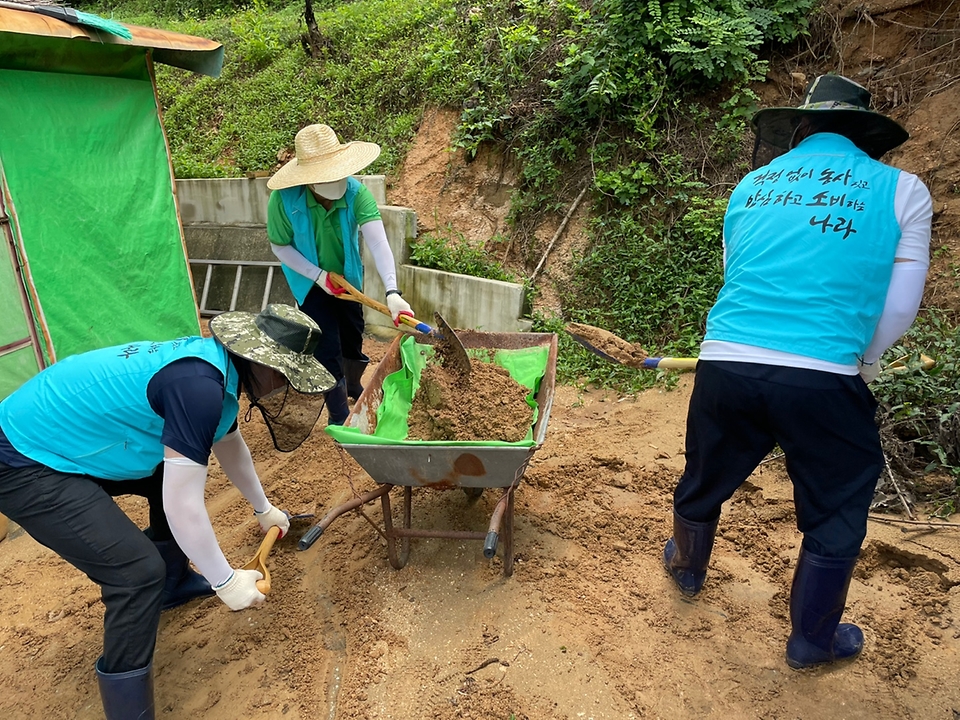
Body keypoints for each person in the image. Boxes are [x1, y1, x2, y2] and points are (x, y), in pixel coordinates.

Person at [662, 75, 933, 670]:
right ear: (865, 137)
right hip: (823, 373)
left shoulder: (752, 186)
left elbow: (737, 274)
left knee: (706, 469)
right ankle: (811, 640)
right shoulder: (903, 191)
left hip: (726, 360)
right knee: (836, 505)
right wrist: (862, 361)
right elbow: (899, 306)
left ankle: (685, 568)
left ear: (800, 129)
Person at [0, 303, 335, 719]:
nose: (283, 386)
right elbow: (183, 501)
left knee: (171, 469)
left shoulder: (218, 372)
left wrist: (263, 509)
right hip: (25, 455)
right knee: (134, 573)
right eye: (285, 375)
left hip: (62, 430)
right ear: (260, 361)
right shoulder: (198, 388)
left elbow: (228, 443)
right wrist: (225, 581)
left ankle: (172, 586)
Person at [266, 123, 415, 425]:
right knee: (328, 343)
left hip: (348, 280)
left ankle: (352, 383)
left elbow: (377, 241)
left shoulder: (356, 192)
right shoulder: (283, 200)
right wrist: (318, 276)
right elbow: (280, 247)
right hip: (309, 281)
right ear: (308, 180)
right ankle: (338, 413)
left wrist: (392, 292)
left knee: (352, 332)